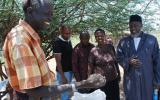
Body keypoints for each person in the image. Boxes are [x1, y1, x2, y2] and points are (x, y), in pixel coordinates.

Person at [2, 0, 106, 100]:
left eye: (51, 14)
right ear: (30, 11)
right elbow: (34, 91)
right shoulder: (21, 41)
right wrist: (84, 84)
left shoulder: (30, 36)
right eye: (47, 14)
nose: (51, 18)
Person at [117, 14, 160, 100]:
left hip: (147, 78)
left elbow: (157, 61)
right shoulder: (123, 42)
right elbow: (119, 57)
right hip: (131, 78)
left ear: (141, 25)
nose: (133, 28)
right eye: (131, 25)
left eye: (135, 25)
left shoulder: (151, 40)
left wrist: (157, 80)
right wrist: (128, 61)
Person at [88, 28, 120, 100]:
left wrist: (119, 74)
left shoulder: (110, 47)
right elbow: (90, 67)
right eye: (97, 36)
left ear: (104, 36)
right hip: (101, 81)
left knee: (115, 97)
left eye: (101, 35)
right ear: (95, 38)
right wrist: (90, 80)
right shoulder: (93, 51)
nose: (99, 37)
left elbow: (115, 62)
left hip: (113, 79)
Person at [52, 25, 73, 100]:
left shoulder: (68, 40)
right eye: (66, 33)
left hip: (69, 71)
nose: (68, 35)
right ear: (61, 32)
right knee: (64, 92)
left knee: (67, 91)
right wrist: (63, 76)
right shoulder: (57, 42)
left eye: (69, 33)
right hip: (63, 72)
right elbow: (58, 61)